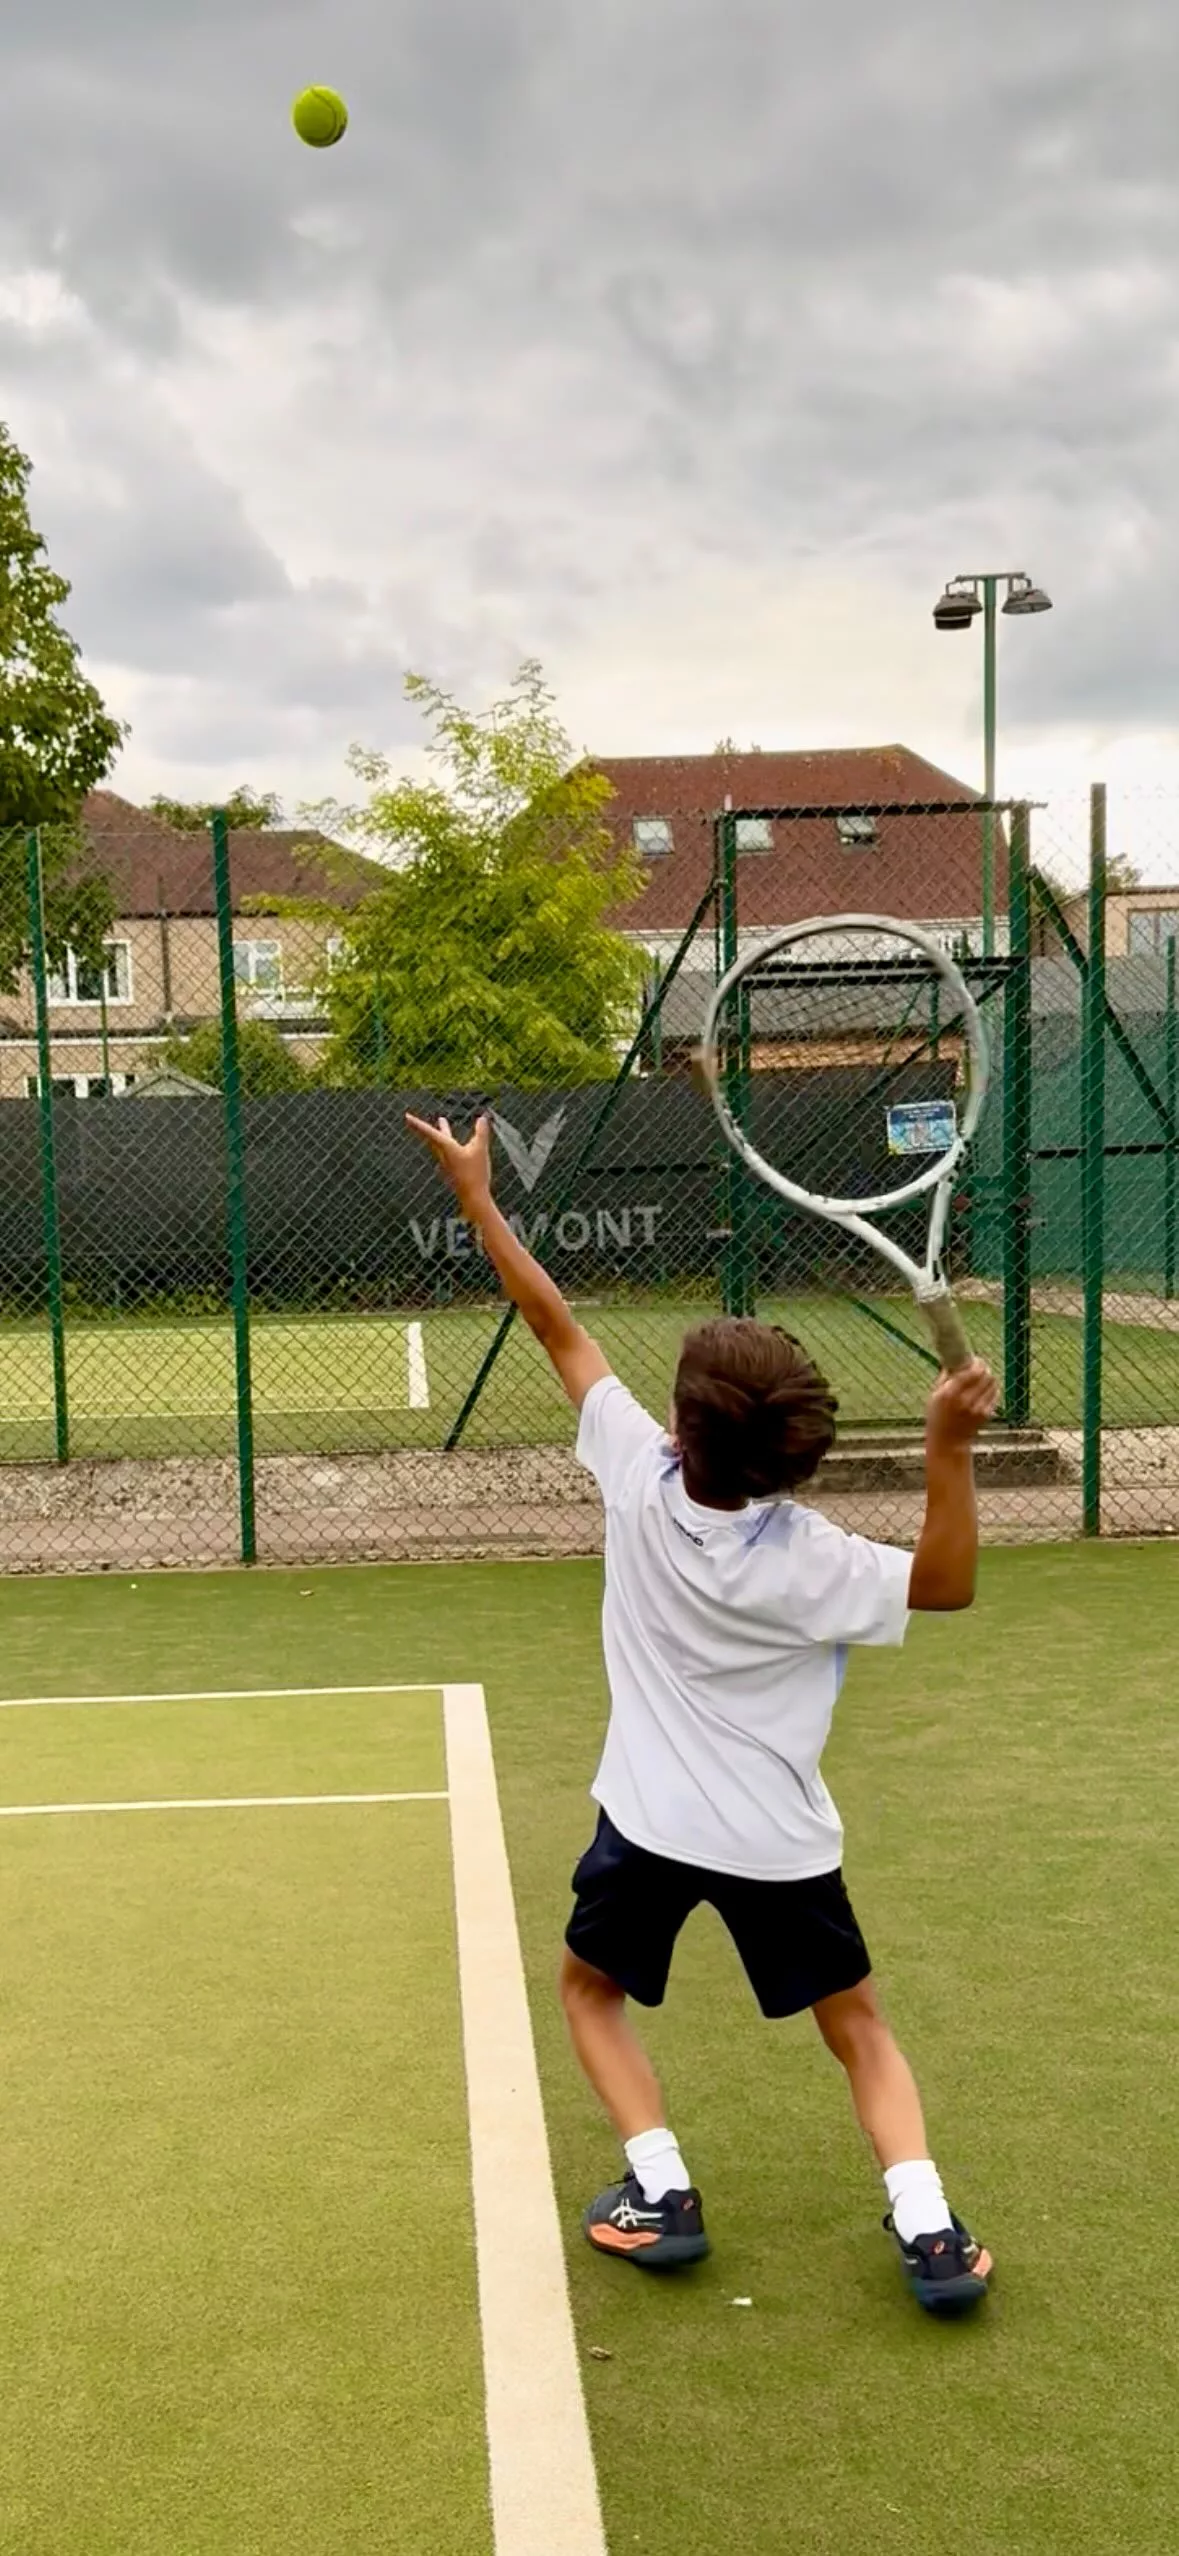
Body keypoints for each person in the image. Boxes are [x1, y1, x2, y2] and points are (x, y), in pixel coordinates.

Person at [407, 1110, 1000, 2313]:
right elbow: (945, 1585)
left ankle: (662, 2190)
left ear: (682, 1430)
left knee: (586, 1992)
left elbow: (553, 1322)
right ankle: (932, 2233)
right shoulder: (813, 1560)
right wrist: (947, 1448)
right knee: (861, 2032)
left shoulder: (634, 1475)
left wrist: (478, 1196)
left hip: (647, 1830)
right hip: (782, 1846)